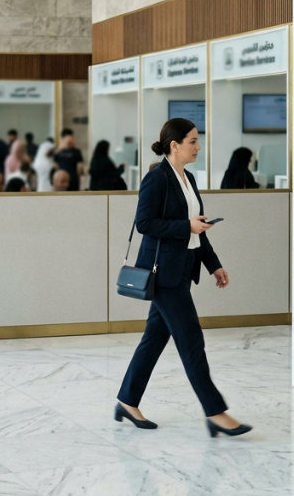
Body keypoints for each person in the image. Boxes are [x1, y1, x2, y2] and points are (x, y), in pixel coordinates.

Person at [115, 118, 249, 437]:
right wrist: (185, 226)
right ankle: (215, 413)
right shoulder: (156, 178)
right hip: (164, 275)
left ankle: (127, 401)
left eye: (197, 141)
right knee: (191, 340)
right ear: (174, 145)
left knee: (153, 339)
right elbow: (145, 222)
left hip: (182, 270)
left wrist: (213, 264)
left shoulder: (188, 178)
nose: (198, 147)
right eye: (192, 141)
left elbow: (197, 228)